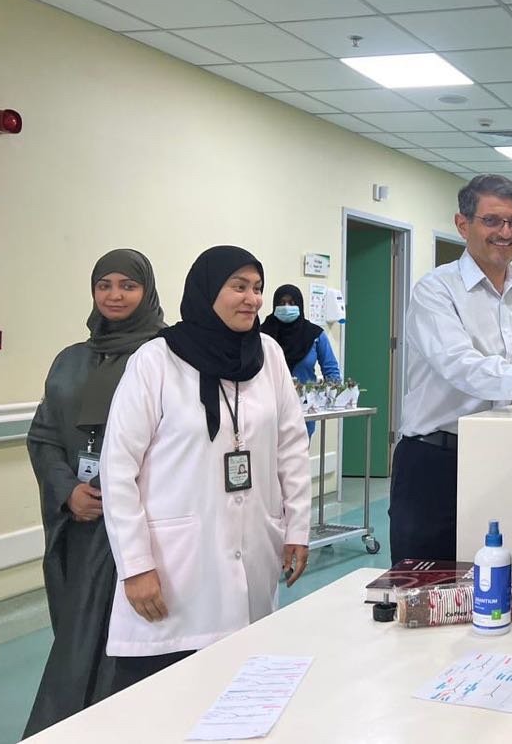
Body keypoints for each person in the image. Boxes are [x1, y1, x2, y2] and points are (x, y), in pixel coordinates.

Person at [100, 246, 311, 691]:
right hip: (174, 564)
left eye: (257, 288)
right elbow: (118, 470)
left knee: (240, 687)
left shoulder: (268, 355)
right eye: (239, 287)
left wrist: (297, 528)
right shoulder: (155, 361)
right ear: (207, 291)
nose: (253, 299)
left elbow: (291, 446)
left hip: (254, 546)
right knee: (166, 696)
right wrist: (135, 565)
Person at [390, 174, 512, 563]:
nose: (505, 232)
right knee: (427, 582)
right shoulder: (435, 290)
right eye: (492, 220)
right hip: (438, 460)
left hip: (508, 458)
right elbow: (460, 365)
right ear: (463, 224)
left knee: (504, 575)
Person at [24, 250, 165, 735]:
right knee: (77, 636)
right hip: (79, 525)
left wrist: (113, 491)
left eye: (128, 285)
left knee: (125, 643)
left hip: (140, 527)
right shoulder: (70, 360)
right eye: (104, 285)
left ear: (147, 291)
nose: (115, 295)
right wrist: (68, 492)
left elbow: (177, 441)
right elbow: (44, 434)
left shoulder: (166, 357)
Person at [260, 283, 340, 437]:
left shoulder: (315, 335)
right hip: (268, 411)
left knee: (299, 451)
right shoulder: (262, 334)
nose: (287, 307)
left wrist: (334, 397)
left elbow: (331, 370)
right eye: (282, 303)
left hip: (304, 410)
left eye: (292, 303)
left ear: (300, 305)